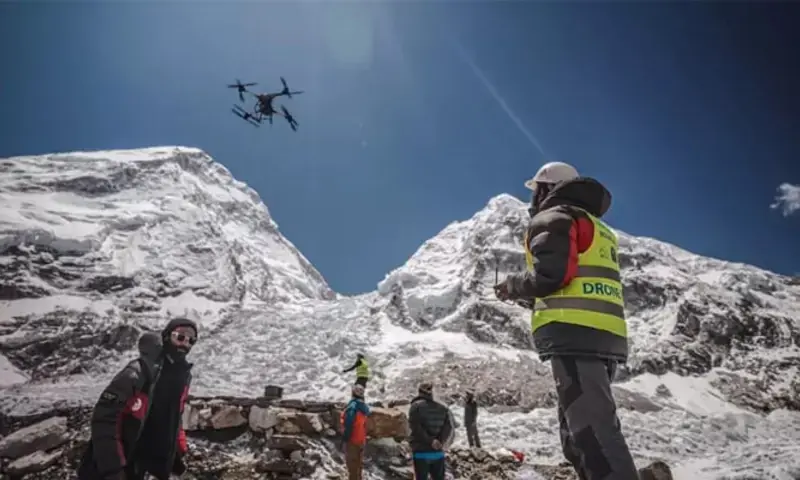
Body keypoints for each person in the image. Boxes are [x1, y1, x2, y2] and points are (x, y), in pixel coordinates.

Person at [493, 161, 639, 480]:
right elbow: (576, 276)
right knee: (578, 436)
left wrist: (512, 285)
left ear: (546, 189)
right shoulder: (597, 226)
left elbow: (552, 276)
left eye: (536, 191)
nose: (532, 200)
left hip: (575, 333)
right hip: (604, 333)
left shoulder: (554, 217)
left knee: (594, 435)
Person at [77, 318, 198, 480]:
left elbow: (174, 417)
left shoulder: (182, 378)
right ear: (167, 337)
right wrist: (113, 469)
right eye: (180, 337)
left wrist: (177, 453)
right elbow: (104, 420)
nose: (185, 344)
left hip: (145, 469)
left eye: (191, 340)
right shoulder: (137, 373)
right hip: (116, 468)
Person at [408, 382, 453, 480]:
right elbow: (448, 427)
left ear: (419, 392)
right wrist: (439, 441)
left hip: (421, 452)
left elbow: (416, 428)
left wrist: (430, 441)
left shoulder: (415, 406)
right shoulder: (443, 408)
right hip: (438, 453)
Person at [340, 384, 371, 480]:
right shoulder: (364, 407)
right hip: (361, 439)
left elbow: (348, 425)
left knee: (352, 468)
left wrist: (345, 438)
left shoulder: (352, 407)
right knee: (359, 466)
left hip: (352, 440)